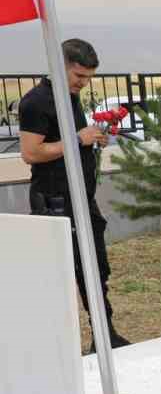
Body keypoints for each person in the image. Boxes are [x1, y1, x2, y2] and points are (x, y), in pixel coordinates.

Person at [18, 38, 129, 348]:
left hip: (82, 197)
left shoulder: (70, 95)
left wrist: (92, 139)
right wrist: (78, 139)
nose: (84, 83)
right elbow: (31, 153)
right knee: (62, 275)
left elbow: (70, 142)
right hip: (54, 201)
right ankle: (56, 345)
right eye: (79, 76)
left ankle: (104, 337)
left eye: (89, 77)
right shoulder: (36, 102)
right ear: (59, 65)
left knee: (94, 267)